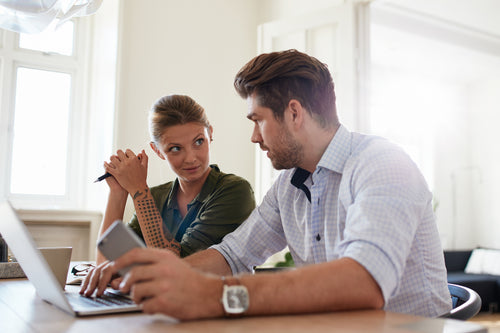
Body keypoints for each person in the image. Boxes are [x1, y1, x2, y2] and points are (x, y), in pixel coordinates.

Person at [81, 50, 452, 320]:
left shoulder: (381, 164)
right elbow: (233, 255)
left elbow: (363, 283)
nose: (254, 137)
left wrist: (213, 296)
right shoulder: (289, 185)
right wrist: (154, 275)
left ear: (293, 113)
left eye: (257, 120)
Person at [94, 94, 255, 265]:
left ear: (210, 134)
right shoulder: (155, 197)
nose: (191, 158)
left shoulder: (236, 191)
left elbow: (176, 268)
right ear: (157, 150)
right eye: (176, 148)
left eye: (199, 141)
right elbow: (105, 262)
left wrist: (138, 191)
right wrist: (118, 191)